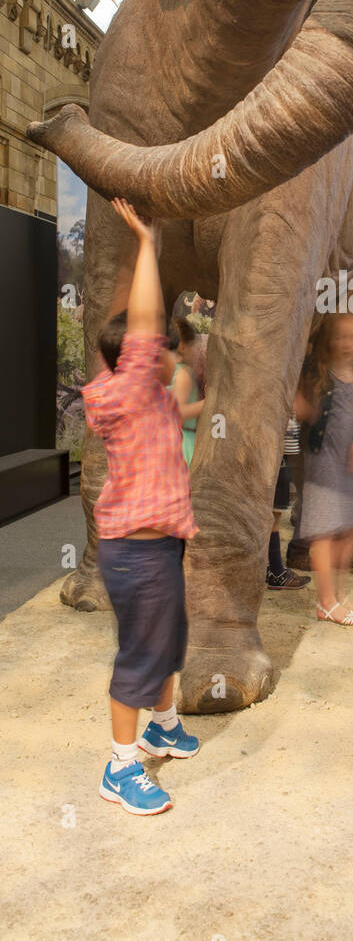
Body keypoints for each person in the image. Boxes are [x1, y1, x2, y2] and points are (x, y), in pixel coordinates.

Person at [82, 199, 199, 817]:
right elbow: (146, 324)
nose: (171, 354)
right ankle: (120, 766)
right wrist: (148, 244)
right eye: (162, 348)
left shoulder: (148, 398)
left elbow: (143, 331)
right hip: (137, 552)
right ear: (132, 355)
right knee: (141, 655)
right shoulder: (127, 391)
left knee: (169, 641)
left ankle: (163, 725)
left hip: (158, 546)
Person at [294, 314, 353, 626]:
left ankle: (337, 593)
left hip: (351, 466)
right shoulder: (318, 373)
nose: (346, 343)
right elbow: (301, 405)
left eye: (351, 336)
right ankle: (326, 601)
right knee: (325, 532)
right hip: (324, 462)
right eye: (339, 337)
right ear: (328, 342)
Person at [266, 413, 310, 590]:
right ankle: (276, 572)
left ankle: (271, 568)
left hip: (282, 455)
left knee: (272, 516)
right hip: (279, 455)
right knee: (273, 517)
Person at [169, 317, 205, 467]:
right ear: (183, 346)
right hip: (183, 445)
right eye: (195, 347)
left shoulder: (165, 372)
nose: (198, 353)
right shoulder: (183, 373)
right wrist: (208, 404)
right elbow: (178, 413)